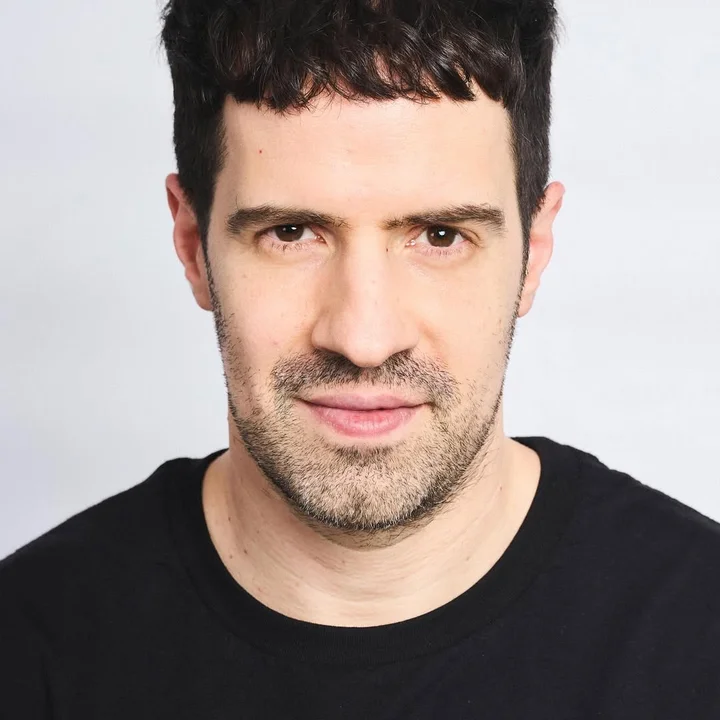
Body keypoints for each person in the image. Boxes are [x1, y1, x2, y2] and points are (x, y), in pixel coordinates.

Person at [2, 0, 719, 717]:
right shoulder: (28, 647)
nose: (364, 338)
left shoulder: (700, 634)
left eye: (440, 236)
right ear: (193, 247)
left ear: (533, 252)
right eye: (291, 233)